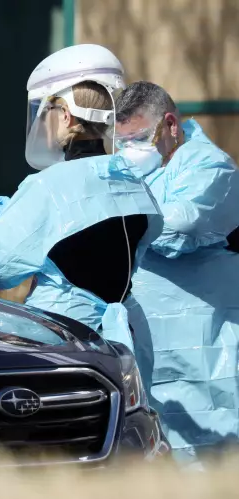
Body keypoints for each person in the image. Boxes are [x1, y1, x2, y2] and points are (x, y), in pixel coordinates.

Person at [0, 44, 163, 352]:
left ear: (65, 115)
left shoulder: (48, 184)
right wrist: (17, 214)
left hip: (63, 340)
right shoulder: (131, 179)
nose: (43, 121)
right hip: (124, 345)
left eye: (47, 110)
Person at [114, 81, 239, 467]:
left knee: (207, 455)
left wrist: (113, 219)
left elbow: (181, 228)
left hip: (204, 345)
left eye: (137, 139)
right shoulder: (134, 172)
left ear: (170, 124)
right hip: (150, 342)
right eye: (121, 142)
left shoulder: (210, 166)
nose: (129, 151)